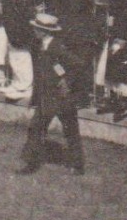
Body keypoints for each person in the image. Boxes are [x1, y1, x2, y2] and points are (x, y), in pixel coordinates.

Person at [16, 13, 88, 176]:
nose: (34, 30)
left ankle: (77, 165)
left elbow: (78, 64)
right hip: (47, 96)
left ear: (44, 31)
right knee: (36, 127)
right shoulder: (41, 45)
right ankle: (31, 163)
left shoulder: (56, 47)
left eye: (37, 28)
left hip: (61, 97)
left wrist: (67, 81)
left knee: (70, 130)